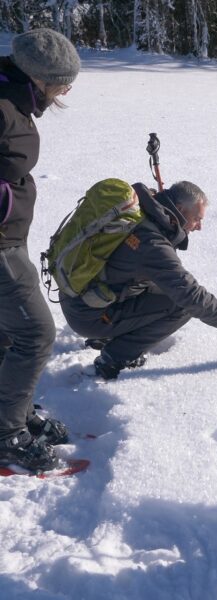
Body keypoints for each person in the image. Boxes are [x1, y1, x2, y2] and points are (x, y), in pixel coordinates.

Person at [59, 180, 217, 380]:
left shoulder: (143, 208)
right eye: (197, 219)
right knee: (181, 304)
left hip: (79, 296)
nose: (199, 227)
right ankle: (114, 358)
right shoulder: (152, 244)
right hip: (88, 315)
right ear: (181, 211)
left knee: (164, 287)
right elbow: (192, 297)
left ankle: (108, 334)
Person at [0, 29, 80, 472]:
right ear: (38, 77)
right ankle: (7, 434)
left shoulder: (14, 98)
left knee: (7, 332)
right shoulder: (4, 107)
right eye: (62, 81)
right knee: (36, 333)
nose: (67, 90)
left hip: (12, 236)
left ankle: (14, 411)